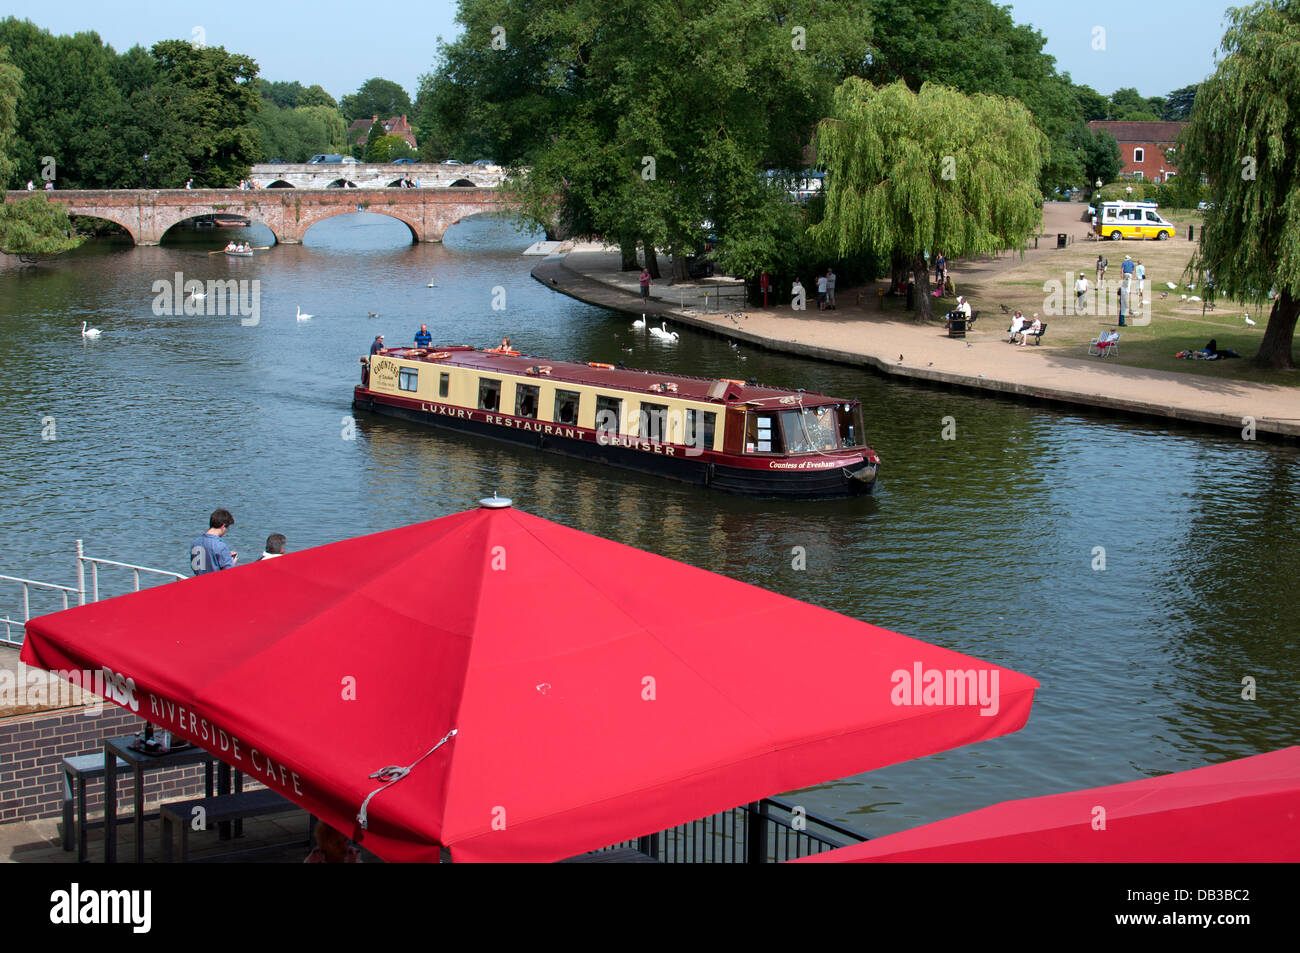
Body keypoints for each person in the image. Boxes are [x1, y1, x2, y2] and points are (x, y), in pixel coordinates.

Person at [190, 509, 236, 575]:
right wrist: (232, 562)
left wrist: (226, 555)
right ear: (223, 526)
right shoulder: (220, 546)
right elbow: (228, 572)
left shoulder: (195, 543)